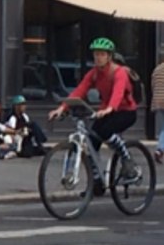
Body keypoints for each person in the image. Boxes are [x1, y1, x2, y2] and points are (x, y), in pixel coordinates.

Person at [47, 38, 140, 184]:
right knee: (91, 143)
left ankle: (126, 159)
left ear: (109, 56)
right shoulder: (94, 73)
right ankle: (96, 180)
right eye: (96, 54)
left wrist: (109, 108)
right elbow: (79, 91)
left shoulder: (119, 72)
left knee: (105, 131)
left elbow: (118, 92)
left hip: (126, 111)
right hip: (106, 111)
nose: (98, 57)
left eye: (102, 54)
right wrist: (61, 108)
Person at [151, 56, 164, 163]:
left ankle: (160, 149)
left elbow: (153, 86)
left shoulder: (156, 70)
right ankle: (160, 149)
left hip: (158, 100)